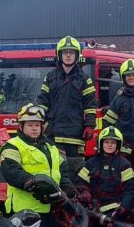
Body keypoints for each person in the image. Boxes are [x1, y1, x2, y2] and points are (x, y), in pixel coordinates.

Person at [37, 36, 97, 177]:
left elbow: (90, 104)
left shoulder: (84, 78)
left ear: (77, 55)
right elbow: (42, 102)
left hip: (74, 133)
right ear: (59, 55)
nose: (68, 55)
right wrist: (39, 122)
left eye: (71, 52)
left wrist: (89, 125)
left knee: (74, 171)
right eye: (65, 52)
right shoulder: (51, 76)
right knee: (53, 169)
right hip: (52, 133)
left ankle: (73, 198)